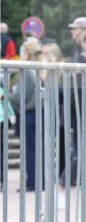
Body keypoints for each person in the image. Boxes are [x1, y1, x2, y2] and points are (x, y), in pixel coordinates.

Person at [9, 39, 42, 191]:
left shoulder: (26, 71)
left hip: (29, 114)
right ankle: (37, 181)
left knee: (29, 150)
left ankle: (32, 182)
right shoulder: (39, 69)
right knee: (37, 149)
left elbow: (21, 96)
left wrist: (7, 97)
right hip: (37, 113)